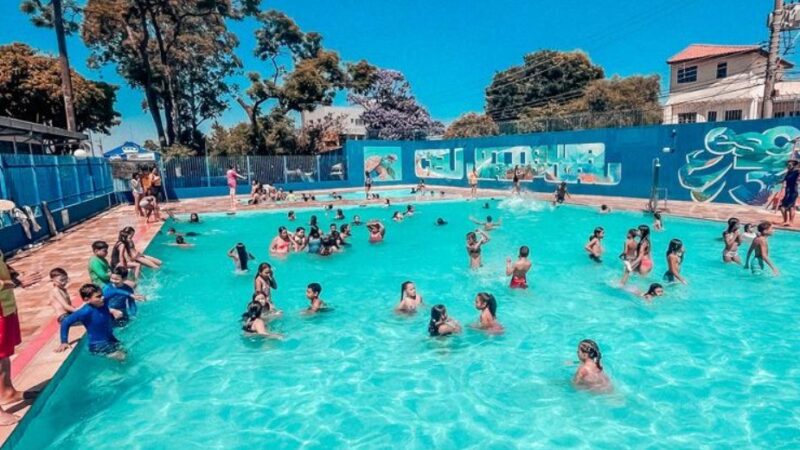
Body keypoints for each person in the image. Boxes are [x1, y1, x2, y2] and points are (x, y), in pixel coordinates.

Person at [55, 284, 125, 361]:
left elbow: (115, 291)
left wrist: (131, 295)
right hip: (98, 345)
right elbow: (65, 322)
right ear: (87, 300)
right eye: (98, 296)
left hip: (110, 339)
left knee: (125, 352)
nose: (102, 297)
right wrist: (64, 341)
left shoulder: (103, 302)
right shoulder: (85, 311)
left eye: (102, 295)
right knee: (122, 358)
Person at [778, 160, 799, 226]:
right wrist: (779, 181)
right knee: (782, 207)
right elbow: (784, 180)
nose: (788, 166)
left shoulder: (797, 172)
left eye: (789, 165)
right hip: (788, 192)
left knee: (791, 207)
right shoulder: (788, 172)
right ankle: (785, 221)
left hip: (793, 192)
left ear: (793, 166)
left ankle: (791, 222)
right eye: (788, 165)